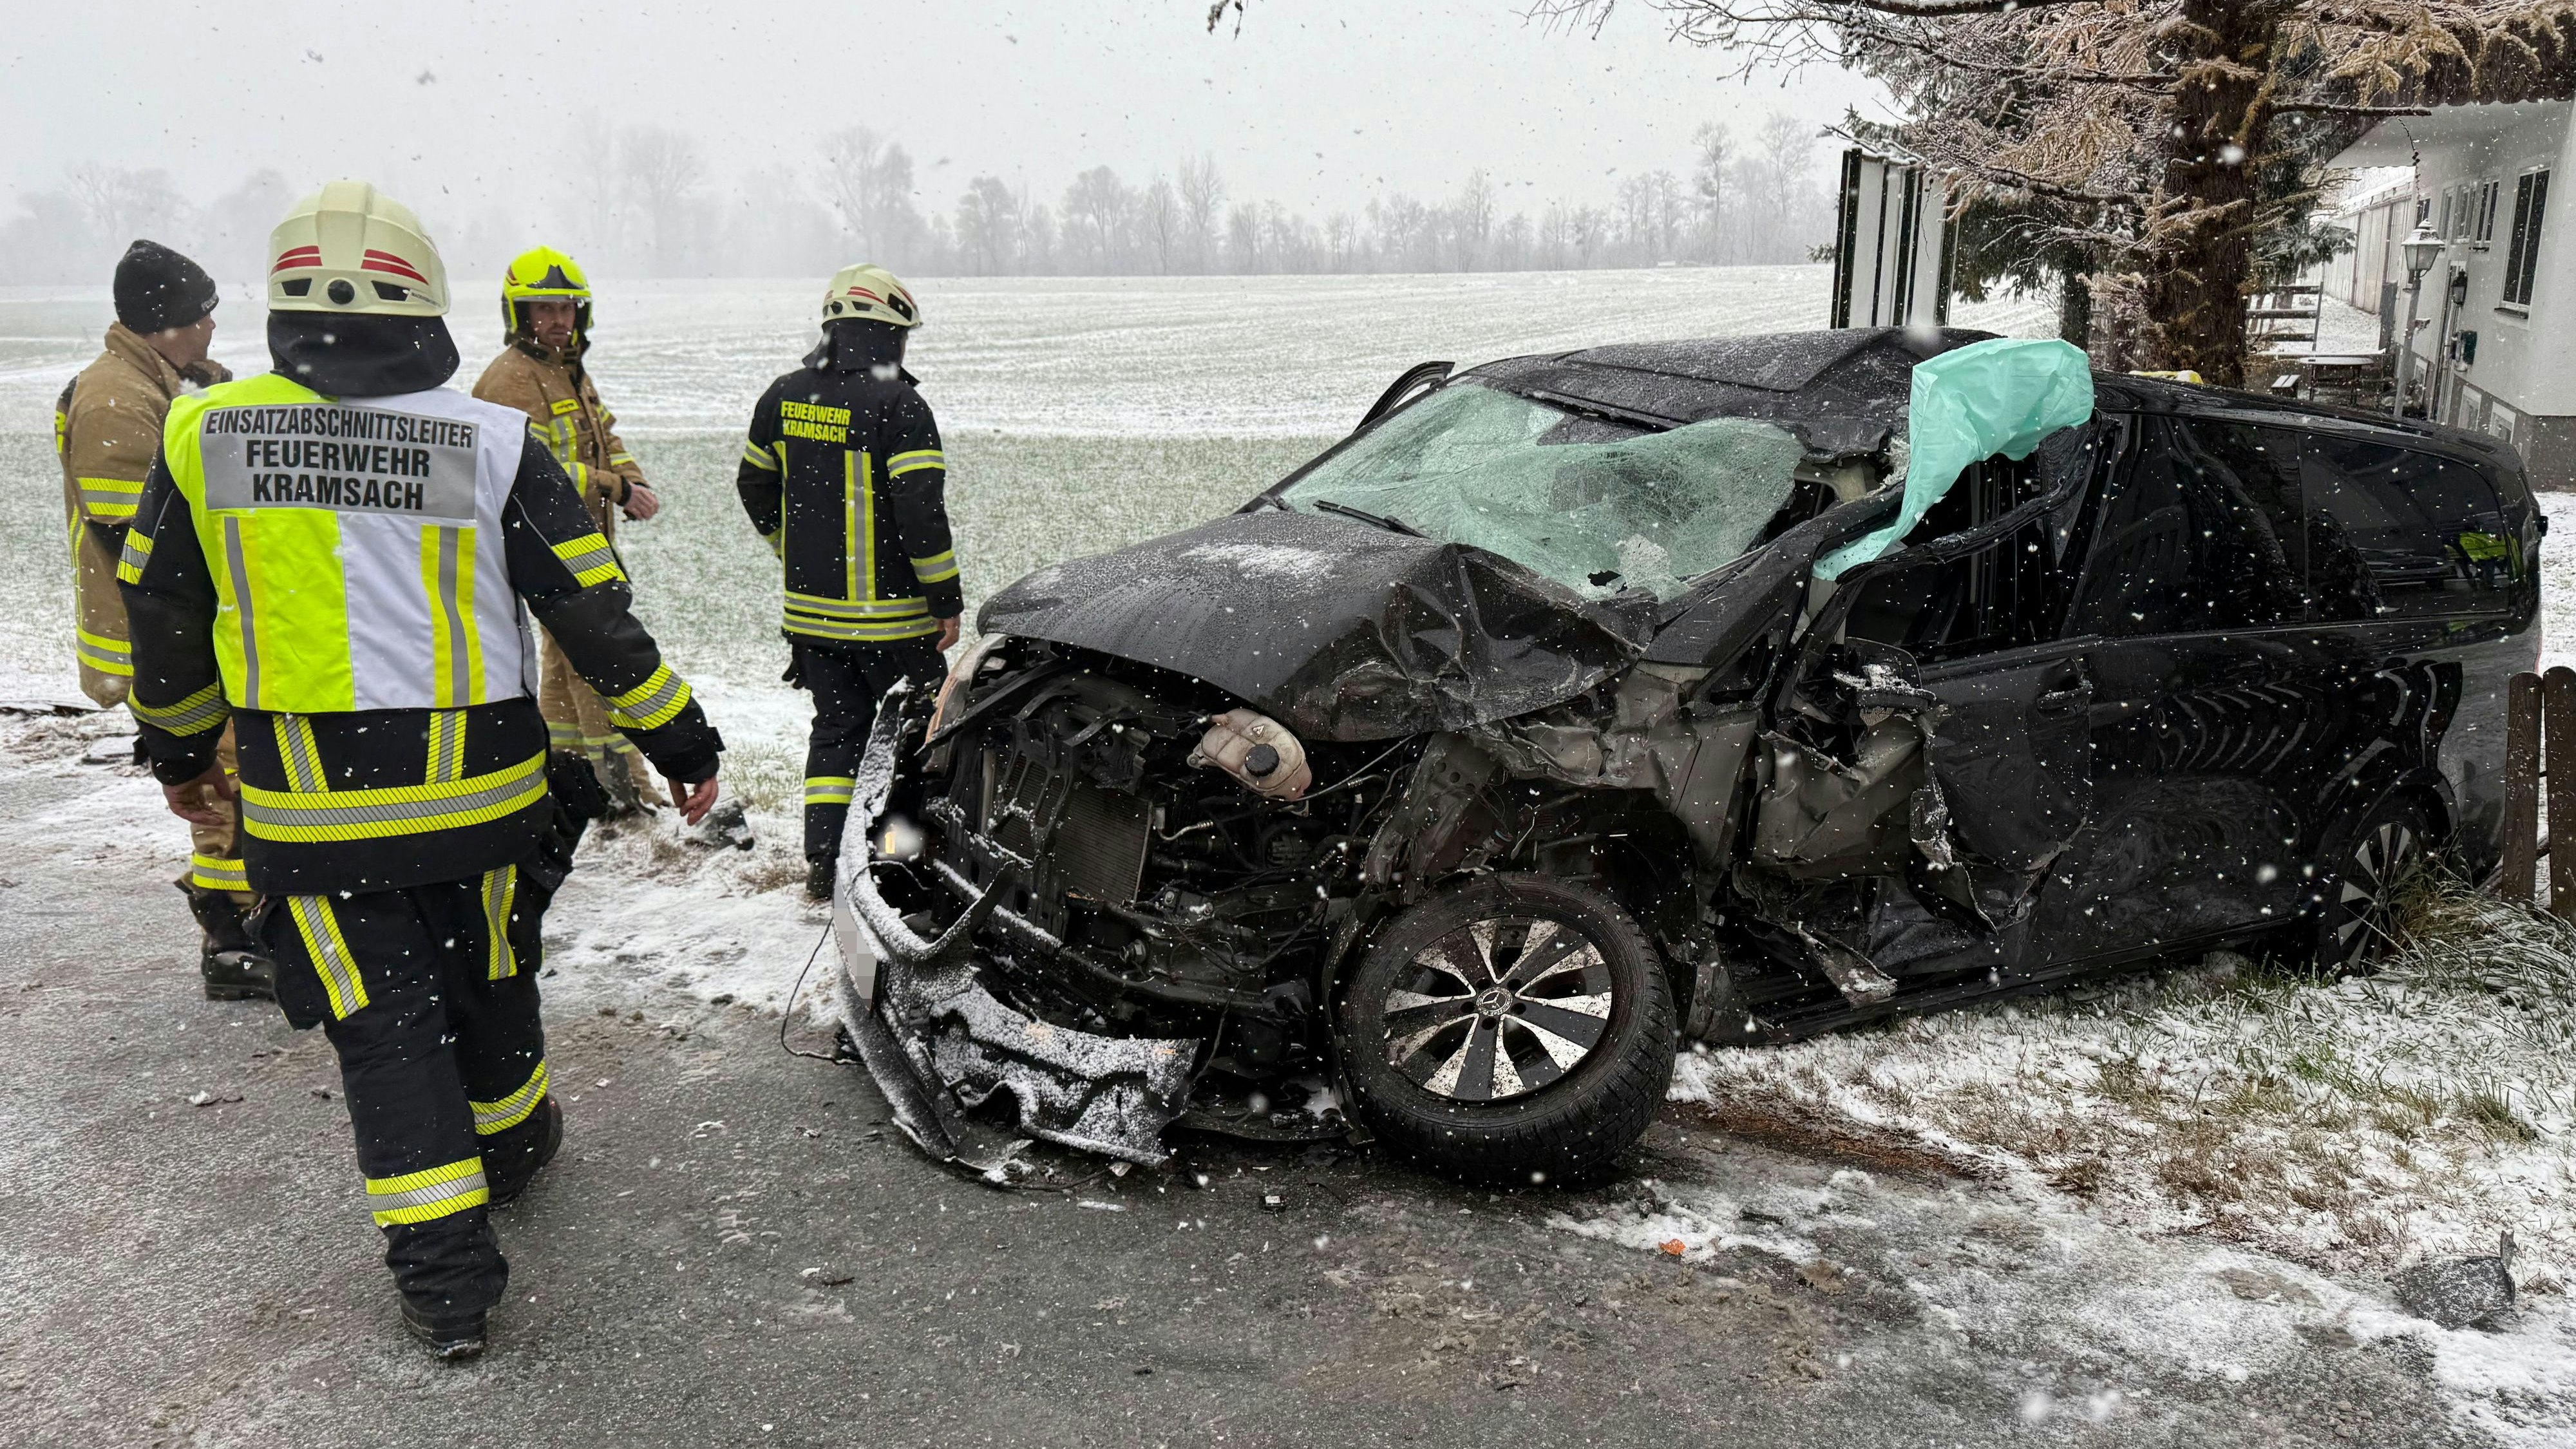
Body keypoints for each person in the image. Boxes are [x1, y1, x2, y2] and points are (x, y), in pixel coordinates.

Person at [119, 182, 723, 1361]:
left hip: (315, 810)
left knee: (383, 1029)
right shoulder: (489, 441)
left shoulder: (208, 435)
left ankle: (448, 1289)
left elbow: (166, 618)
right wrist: (684, 741)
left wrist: (183, 758)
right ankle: (512, 1146)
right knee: (491, 974)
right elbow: (592, 613)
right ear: (429, 305)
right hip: (483, 801)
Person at [56, 240, 269, 999]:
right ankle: (233, 939)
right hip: (163, 627)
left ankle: (244, 922)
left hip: (183, 622)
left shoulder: (155, 381)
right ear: (163, 323)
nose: (213, 326)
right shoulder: (117, 398)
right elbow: (141, 540)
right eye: (201, 315)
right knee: (221, 776)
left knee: (228, 768)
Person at [735, 264, 960, 900]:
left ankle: (822, 865)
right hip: (895, 624)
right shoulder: (901, 405)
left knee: (837, 733)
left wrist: (790, 549)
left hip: (811, 619)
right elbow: (920, 510)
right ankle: (898, 866)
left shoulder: (783, 395)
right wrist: (944, 600)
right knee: (914, 741)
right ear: (889, 335)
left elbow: (753, 486)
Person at [471, 248, 665, 815]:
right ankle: (626, 792)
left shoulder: (566, 369)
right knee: (596, 665)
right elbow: (536, 477)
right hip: (549, 551)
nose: (559, 320)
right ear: (519, 314)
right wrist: (613, 487)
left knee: (561, 666)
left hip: (579, 546)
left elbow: (603, 434)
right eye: (544, 309)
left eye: (568, 308)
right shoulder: (512, 380)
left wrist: (628, 476)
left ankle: (566, 784)